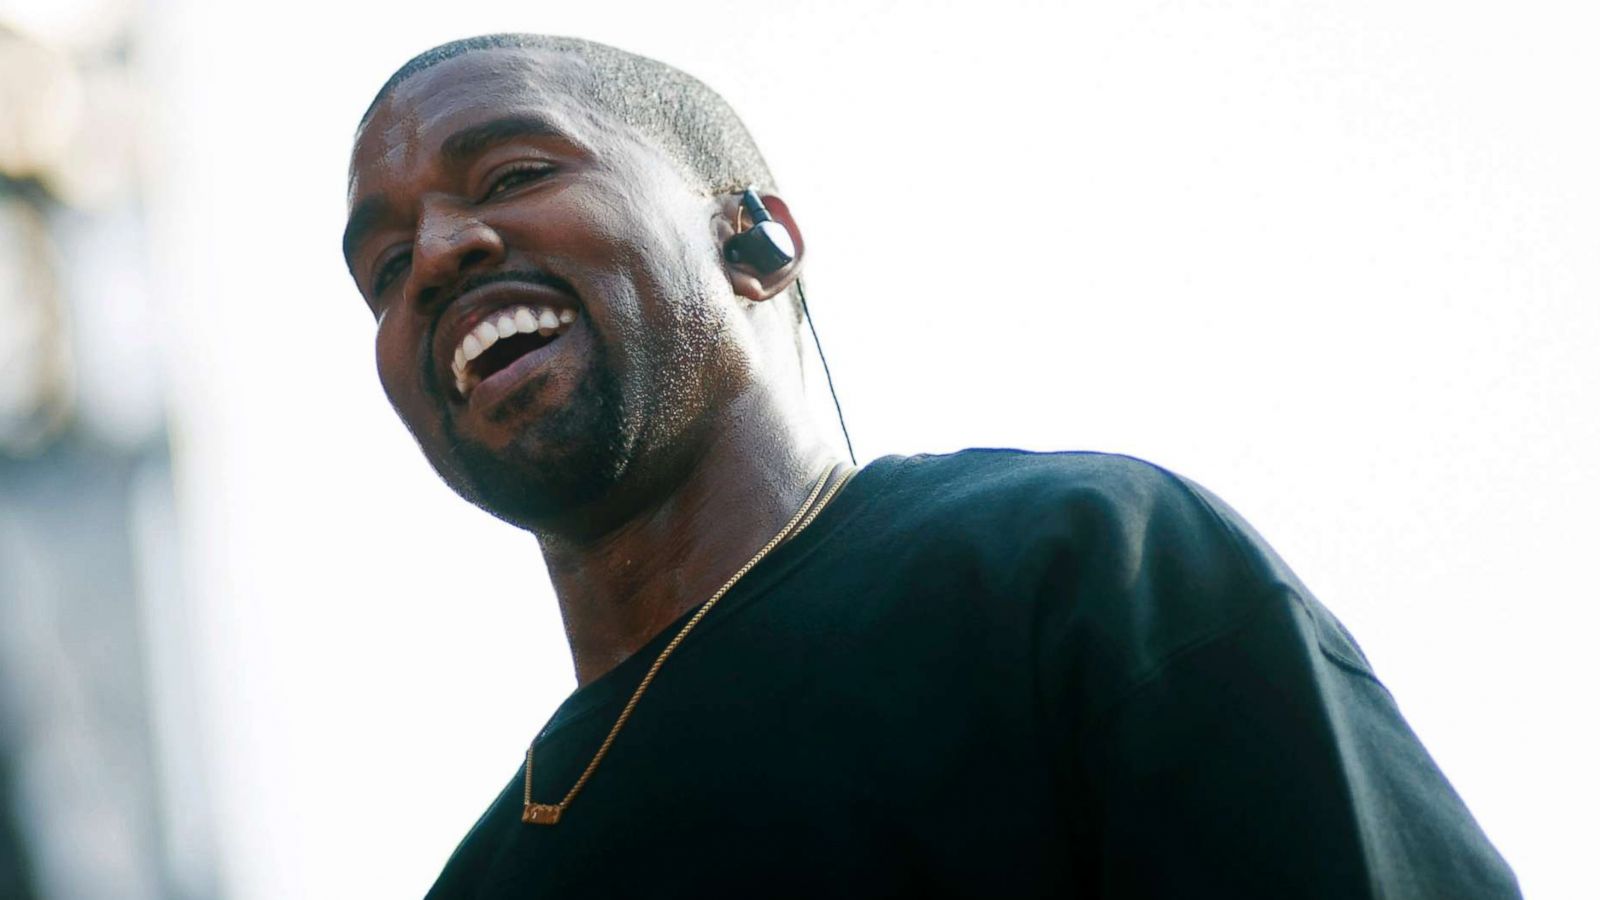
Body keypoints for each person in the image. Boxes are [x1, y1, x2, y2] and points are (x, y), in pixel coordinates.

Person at [342, 33, 1519, 899]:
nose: (440, 254)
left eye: (511, 178)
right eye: (385, 267)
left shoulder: (1081, 564)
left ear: (754, 239)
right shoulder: (487, 878)